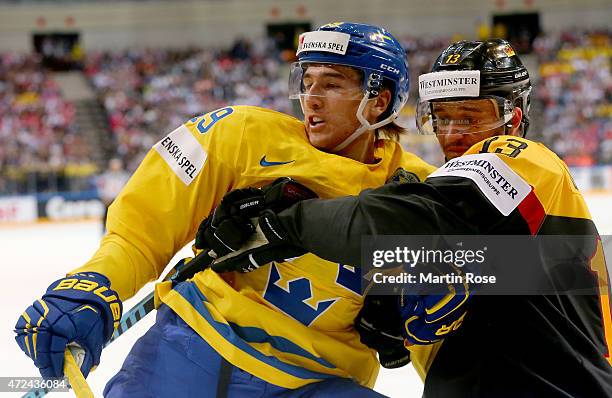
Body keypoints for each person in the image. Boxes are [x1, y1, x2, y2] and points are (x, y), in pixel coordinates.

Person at [15, 22, 438, 397]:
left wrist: (426, 308)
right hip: (192, 347)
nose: (311, 99)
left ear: (378, 101)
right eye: (307, 82)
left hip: (316, 379)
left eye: (331, 84)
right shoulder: (238, 134)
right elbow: (141, 232)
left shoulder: (423, 190)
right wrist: (92, 283)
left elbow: (484, 280)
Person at [203, 39, 612, 397]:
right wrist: (390, 302)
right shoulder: (484, 223)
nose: (451, 134)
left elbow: (420, 217)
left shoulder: (528, 161)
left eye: (469, 118)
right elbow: (491, 270)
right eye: (441, 117)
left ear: (515, 118)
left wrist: (285, 223)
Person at [96, 157, 130, 233]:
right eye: (114, 164)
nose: (115, 166)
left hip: (119, 199)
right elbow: (101, 187)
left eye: (117, 164)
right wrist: (103, 196)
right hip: (108, 199)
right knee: (106, 216)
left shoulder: (124, 176)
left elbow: (128, 187)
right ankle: (104, 231)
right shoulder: (105, 176)